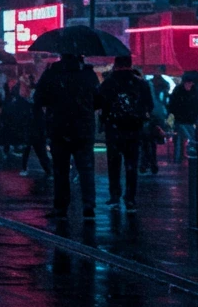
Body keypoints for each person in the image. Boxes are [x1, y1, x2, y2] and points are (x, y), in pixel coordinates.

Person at [35, 53, 101, 218]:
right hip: (83, 128)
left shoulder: (52, 74)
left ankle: (61, 206)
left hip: (59, 127)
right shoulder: (88, 75)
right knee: (86, 168)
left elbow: (39, 98)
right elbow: (99, 100)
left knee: (61, 170)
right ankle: (88, 205)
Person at [97, 55, 153, 212]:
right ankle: (130, 198)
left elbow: (98, 102)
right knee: (131, 165)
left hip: (113, 129)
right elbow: (149, 105)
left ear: (116, 65)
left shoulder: (108, 83)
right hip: (133, 129)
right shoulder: (140, 83)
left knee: (114, 164)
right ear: (130, 64)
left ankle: (115, 196)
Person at [168, 78, 198, 163]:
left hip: (184, 119)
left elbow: (172, 105)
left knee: (181, 139)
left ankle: (179, 158)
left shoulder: (180, 91)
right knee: (188, 139)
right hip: (184, 119)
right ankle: (185, 157)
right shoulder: (194, 91)